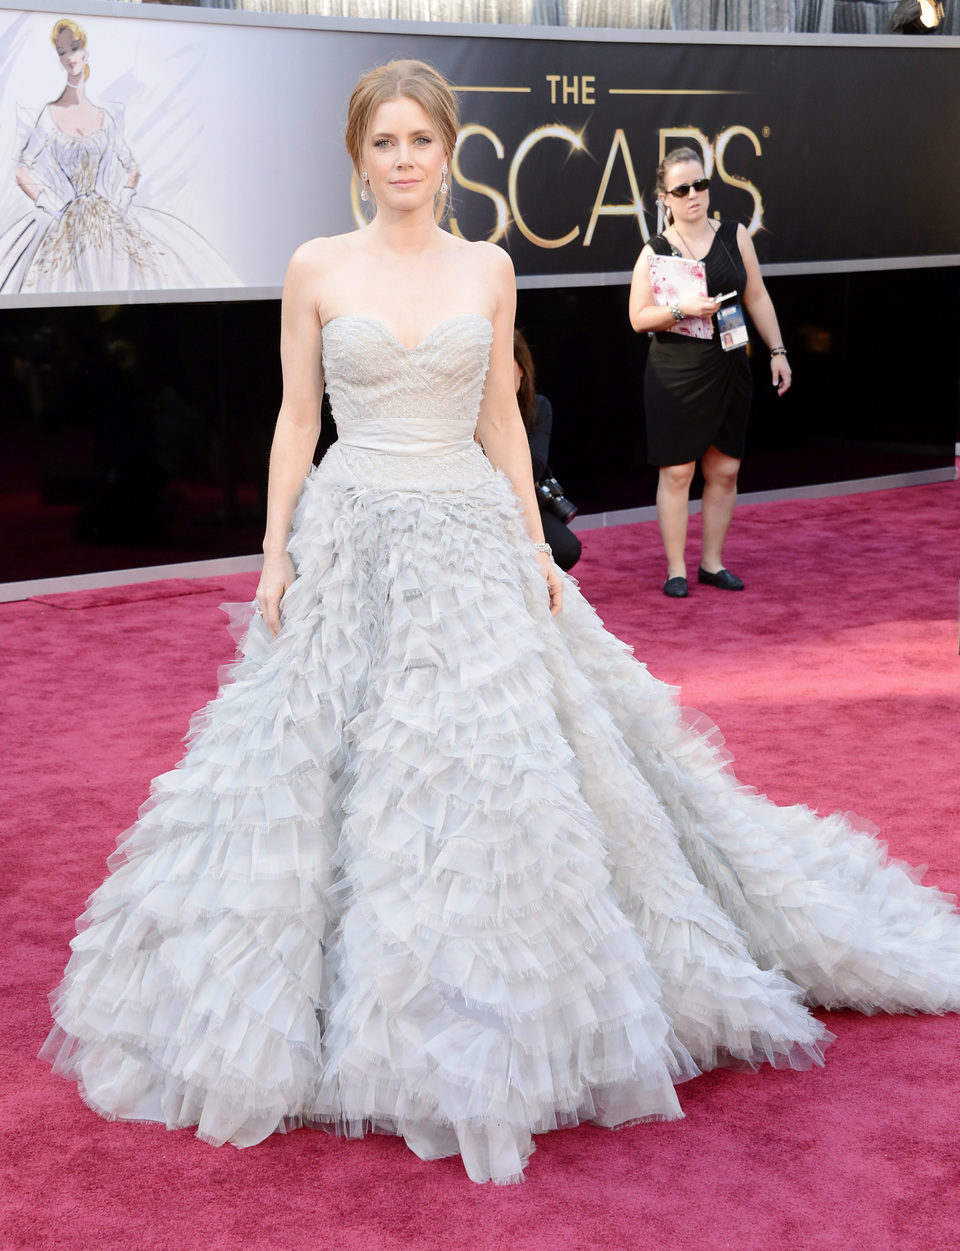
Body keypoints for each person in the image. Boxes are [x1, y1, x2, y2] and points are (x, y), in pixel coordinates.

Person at [42, 61, 960, 1187]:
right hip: (352, 539)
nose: (404, 160)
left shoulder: (489, 266)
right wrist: (275, 549)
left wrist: (533, 544)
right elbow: (293, 419)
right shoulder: (316, 266)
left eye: (421, 140)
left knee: (495, 765)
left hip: (471, 536)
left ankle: (502, 1002)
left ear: (449, 150)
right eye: (384, 142)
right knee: (322, 771)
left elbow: (504, 425)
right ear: (357, 156)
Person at [628, 147, 791, 598]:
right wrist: (682, 308)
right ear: (665, 198)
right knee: (678, 473)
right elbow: (638, 317)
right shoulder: (655, 251)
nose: (694, 195)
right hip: (676, 372)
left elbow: (756, 296)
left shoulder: (735, 235)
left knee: (725, 470)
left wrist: (777, 350)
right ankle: (676, 570)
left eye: (700, 184)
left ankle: (712, 564)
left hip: (730, 364)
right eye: (683, 189)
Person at [0, 18, 238, 294]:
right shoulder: (49, 114)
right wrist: (51, 206)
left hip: (107, 215)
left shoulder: (104, 118)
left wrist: (122, 201)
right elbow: (22, 171)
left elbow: (132, 167)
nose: (69, 57)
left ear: (85, 50)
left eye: (74, 48)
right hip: (67, 219)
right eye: (62, 52)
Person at [513, 327, 581, 572]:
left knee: (566, 549)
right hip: (481, 502)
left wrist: (506, 415)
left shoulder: (538, 406)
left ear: (522, 369)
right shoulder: (471, 409)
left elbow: (535, 466)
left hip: (524, 498)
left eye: (505, 368)